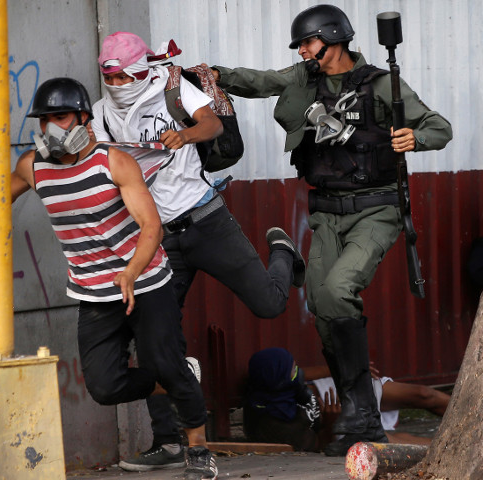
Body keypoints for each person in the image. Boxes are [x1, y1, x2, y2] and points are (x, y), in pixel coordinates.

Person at [0, 78, 218, 480]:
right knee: (104, 387)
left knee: (163, 360)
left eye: (59, 117)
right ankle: (178, 378)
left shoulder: (114, 162)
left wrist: (130, 271)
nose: (50, 128)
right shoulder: (33, 167)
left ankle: (197, 448)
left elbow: (150, 226)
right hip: (94, 292)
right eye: (43, 121)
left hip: (146, 282)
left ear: (84, 119)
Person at [210, 4, 453, 456]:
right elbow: (261, 81)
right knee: (321, 302)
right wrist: (211, 74)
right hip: (325, 212)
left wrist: (413, 138)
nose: (303, 51)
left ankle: (361, 411)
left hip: (376, 210)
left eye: (308, 42)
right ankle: (361, 412)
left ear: (334, 37)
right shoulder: (305, 79)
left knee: (339, 288)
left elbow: (439, 126)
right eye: (300, 46)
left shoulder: (381, 83)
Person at [90, 32, 306, 472]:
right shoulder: (101, 115)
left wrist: (184, 135)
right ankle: (168, 442)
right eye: (108, 76)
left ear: (141, 69)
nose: (116, 83)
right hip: (157, 237)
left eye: (123, 75)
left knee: (268, 303)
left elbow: (213, 125)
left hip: (206, 220)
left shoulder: (169, 86)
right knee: (155, 345)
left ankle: (282, 252)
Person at [243, 348, 451, 451]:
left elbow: (303, 372)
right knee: (396, 440)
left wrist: (341, 370)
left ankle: (477, 416)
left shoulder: (274, 383)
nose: (297, 371)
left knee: (424, 394)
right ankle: (453, 450)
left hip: (338, 391)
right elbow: (316, 447)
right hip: (336, 427)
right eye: (292, 369)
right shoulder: (274, 426)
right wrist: (329, 426)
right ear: (278, 381)